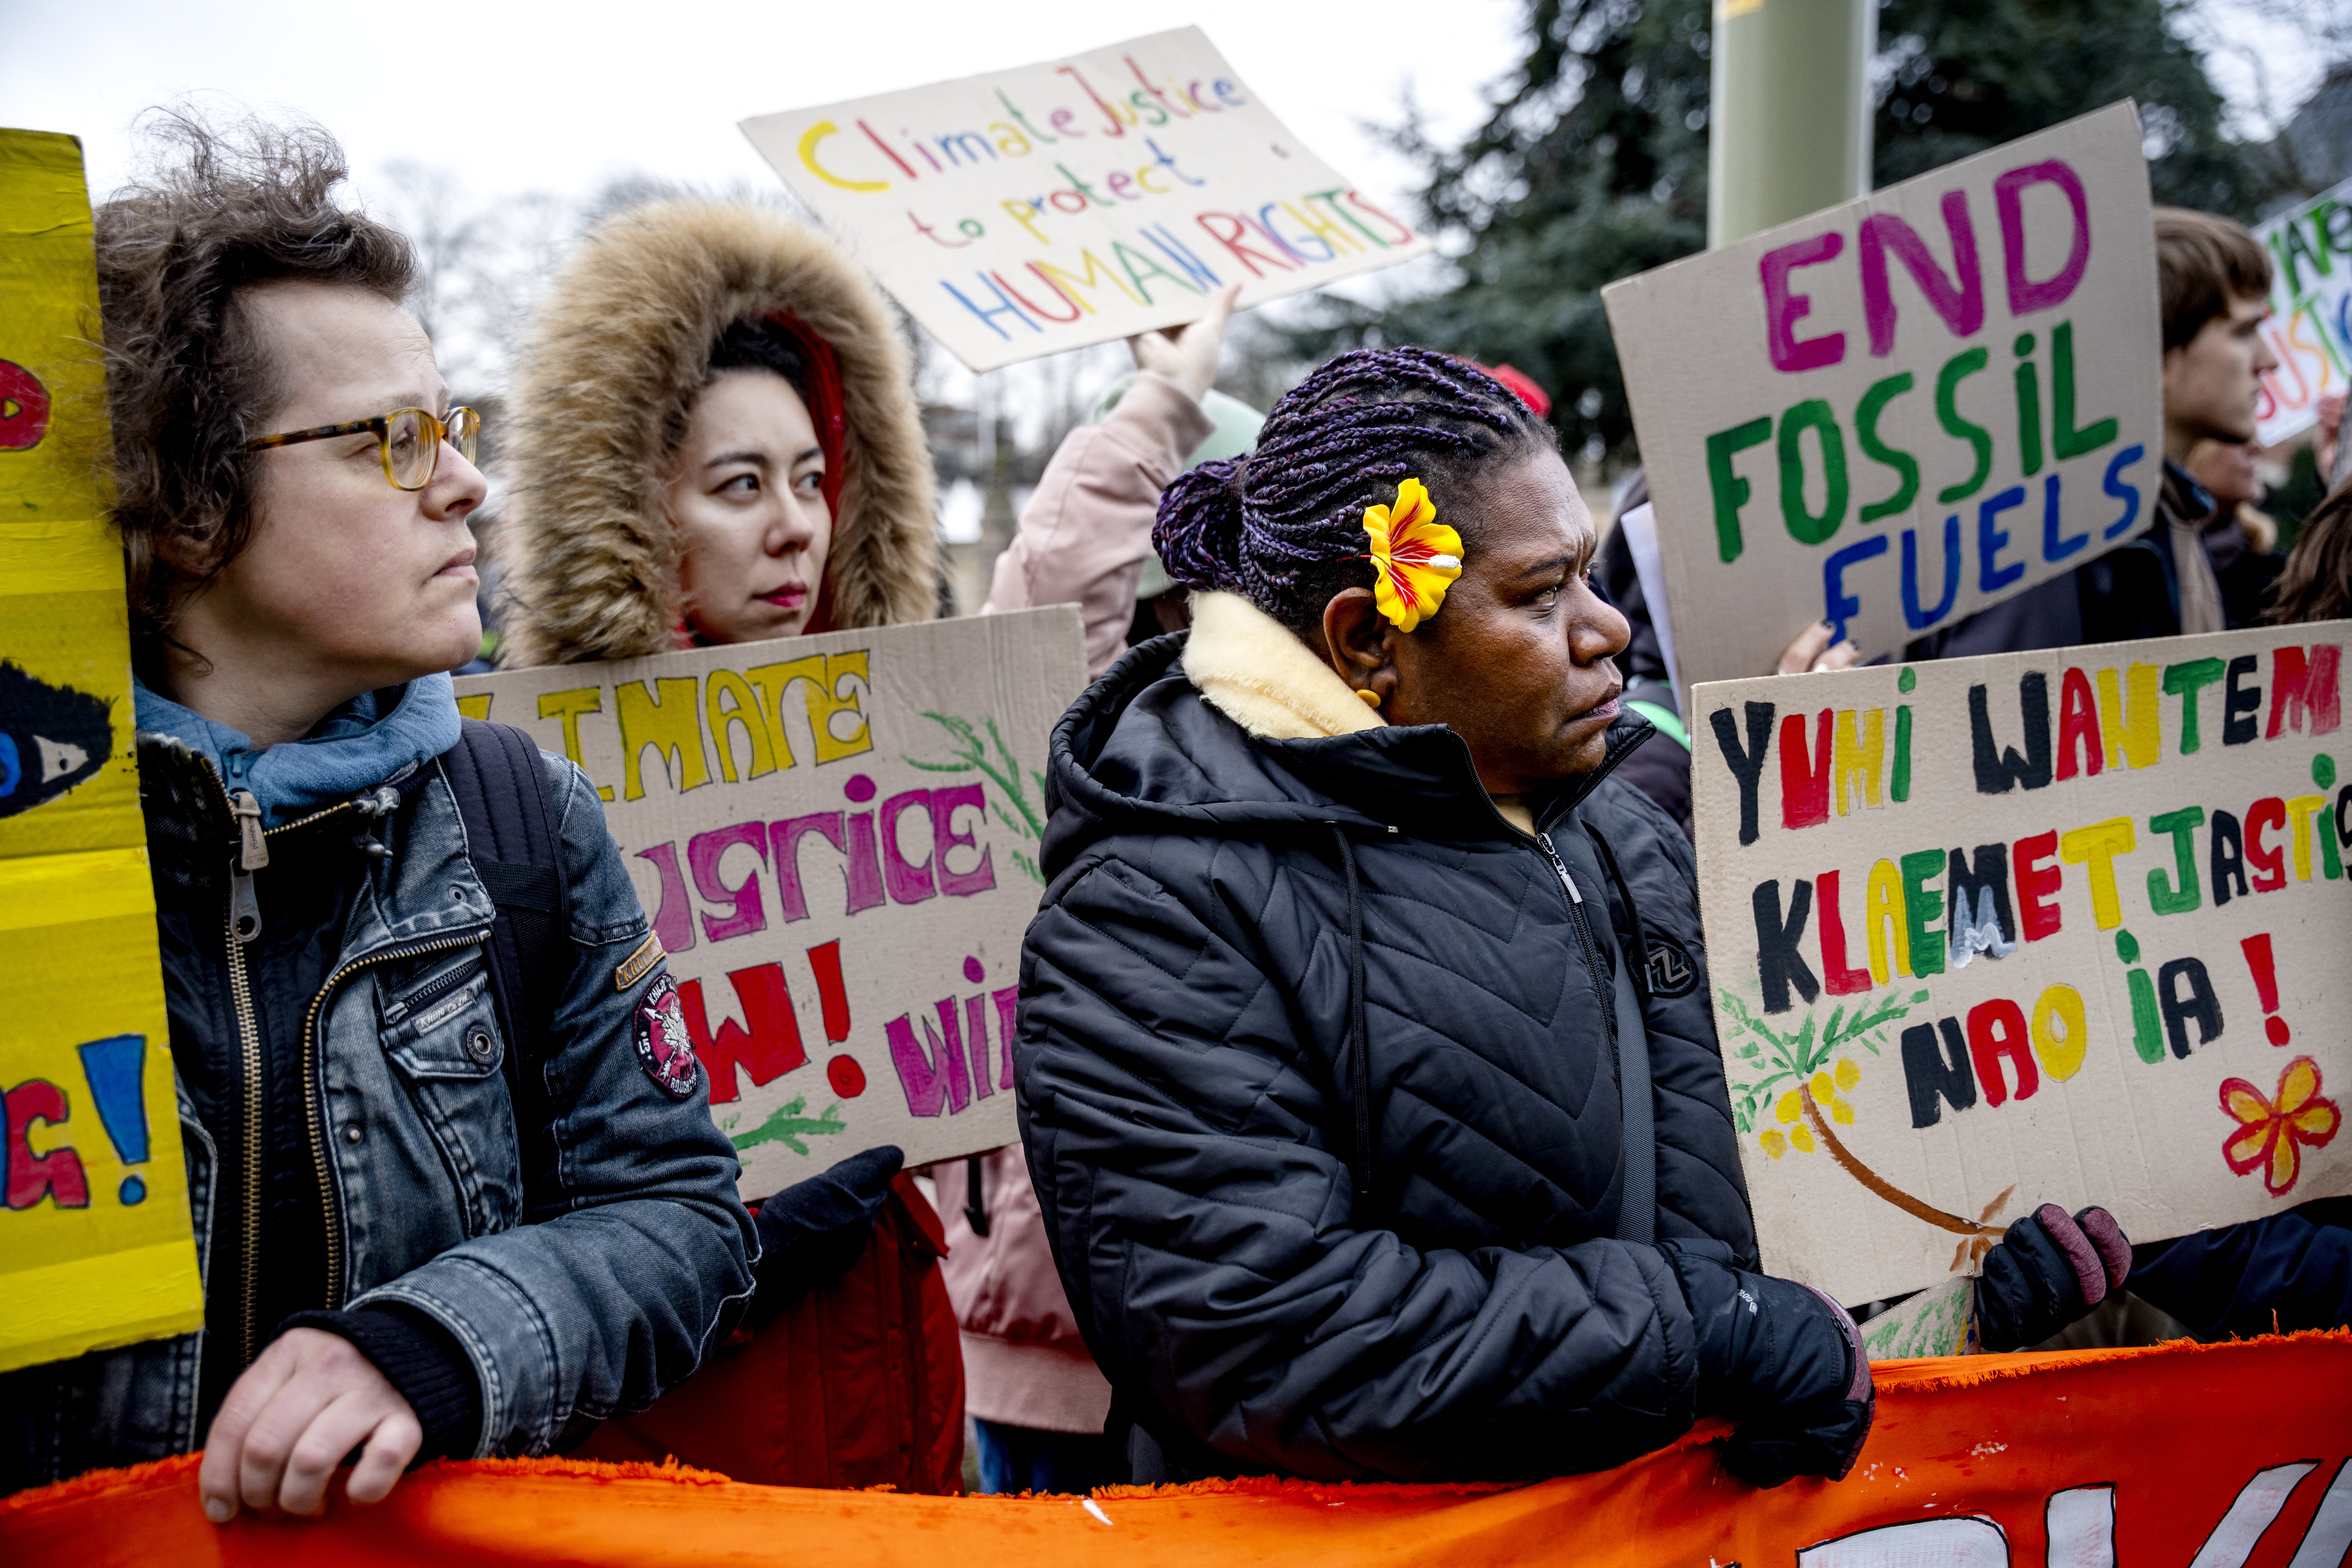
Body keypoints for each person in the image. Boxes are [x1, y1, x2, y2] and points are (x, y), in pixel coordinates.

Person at [1011, 348, 2125, 1485]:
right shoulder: (1151, 912)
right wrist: (1707, 1335)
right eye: (1543, 595)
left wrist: (1945, 1292)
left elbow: (1759, 1202)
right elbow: (1260, 1336)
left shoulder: (1625, 834)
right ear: (1366, 644)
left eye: (1590, 578)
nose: (1610, 633)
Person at [0, 118, 757, 1509]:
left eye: (451, 426)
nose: (465, 482)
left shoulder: (521, 824)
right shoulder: (20, 864)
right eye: (388, 441)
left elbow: (680, 1216)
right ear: (181, 506)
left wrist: (440, 1342)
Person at [943, 301, 1256, 1496]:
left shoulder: (1298, 753)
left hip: (1224, 1343)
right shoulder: (1054, 749)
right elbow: (1053, 592)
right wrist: (1164, 406)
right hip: (1044, 1350)